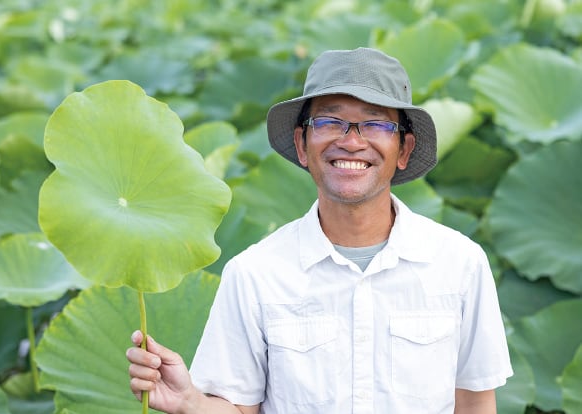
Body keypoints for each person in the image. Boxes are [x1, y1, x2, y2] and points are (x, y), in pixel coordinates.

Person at [126, 47, 513, 414]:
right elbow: (241, 408)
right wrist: (191, 402)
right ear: (301, 144)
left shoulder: (460, 264)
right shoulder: (254, 273)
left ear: (405, 149)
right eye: (329, 121)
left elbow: (476, 403)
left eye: (376, 123)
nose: (351, 141)